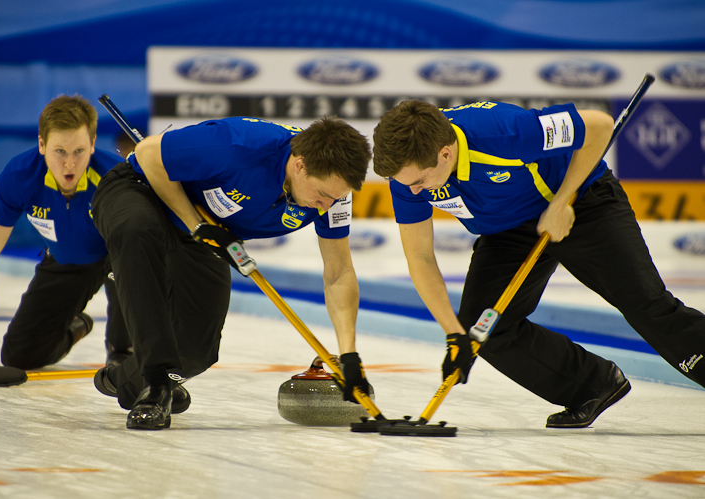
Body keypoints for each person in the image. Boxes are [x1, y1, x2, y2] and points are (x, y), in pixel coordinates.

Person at [372, 99, 705, 428]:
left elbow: (599, 126)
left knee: (646, 304)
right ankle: (593, 384)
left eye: (419, 181)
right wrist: (453, 334)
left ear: (445, 153)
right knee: (482, 330)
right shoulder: (407, 179)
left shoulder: (505, 133)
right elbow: (420, 256)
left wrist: (561, 202)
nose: (413, 190)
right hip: (507, 231)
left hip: (581, 203)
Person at [91, 115, 373, 430]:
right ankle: (156, 385)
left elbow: (338, 272)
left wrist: (349, 354)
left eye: (336, 198)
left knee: (198, 350)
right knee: (137, 230)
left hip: (208, 227)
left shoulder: (332, 194)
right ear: (299, 165)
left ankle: (123, 378)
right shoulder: (238, 143)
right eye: (322, 196)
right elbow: (148, 153)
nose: (325, 207)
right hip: (144, 190)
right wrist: (195, 224)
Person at [0, 95, 132, 377]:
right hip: (66, 259)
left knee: (130, 258)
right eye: (59, 151)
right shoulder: (19, 176)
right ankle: (76, 324)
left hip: (117, 256)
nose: (70, 164)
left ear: (93, 145)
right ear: (41, 145)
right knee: (19, 356)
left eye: (79, 151)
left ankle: (124, 349)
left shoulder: (116, 176)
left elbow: (151, 244)